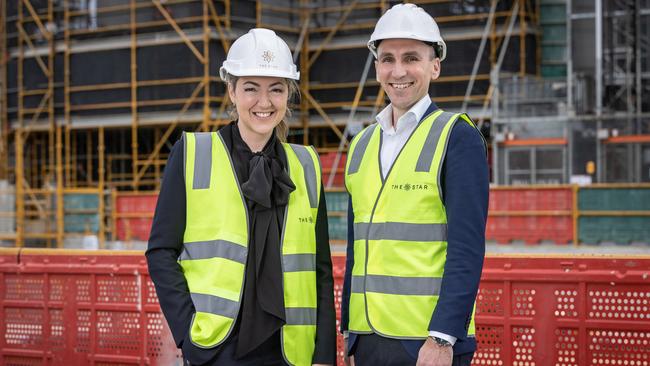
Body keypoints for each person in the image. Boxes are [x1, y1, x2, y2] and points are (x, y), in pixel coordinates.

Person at [146, 28, 336, 366]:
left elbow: (320, 268)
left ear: (288, 94)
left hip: (292, 351)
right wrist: (188, 335)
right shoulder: (192, 153)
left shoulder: (306, 164)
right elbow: (161, 251)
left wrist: (323, 355)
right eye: (251, 89)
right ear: (231, 91)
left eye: (276, 90)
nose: (264, 102)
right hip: (218, 348)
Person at [341, 4, 489, 366]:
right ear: (377, 67)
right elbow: (356, 247)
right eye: (387, 58)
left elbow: (466, 249)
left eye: (411, 58)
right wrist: (350, 332)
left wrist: (442, 337)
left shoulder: (456, 136)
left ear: (434, 66)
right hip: (367, 339)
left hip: (426, 344)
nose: (398, 71)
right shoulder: (361, 144)